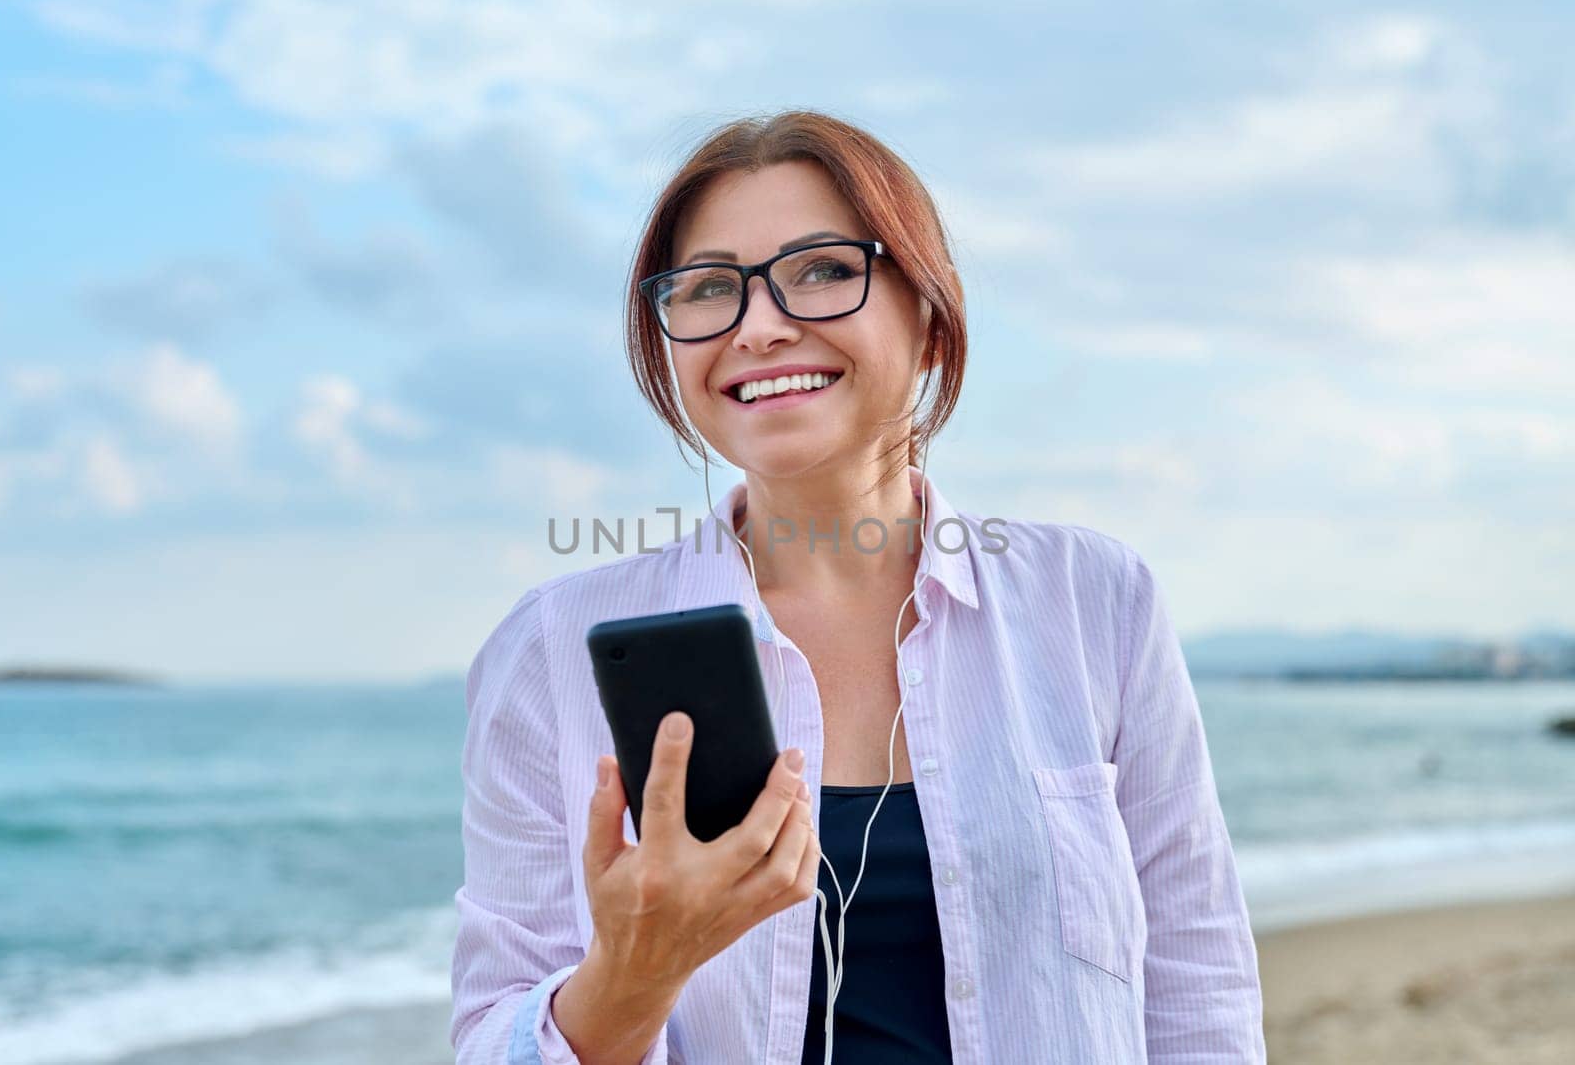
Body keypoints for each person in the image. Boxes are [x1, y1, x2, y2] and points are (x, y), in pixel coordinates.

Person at [449, 108, 1266, 1064]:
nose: (759, 326)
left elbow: (1197, 982)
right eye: (710, 288)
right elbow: (488, 1039)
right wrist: (631, 973)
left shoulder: (1094, 601)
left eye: (825, 269)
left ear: (929, 317)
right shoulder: (552, 648)